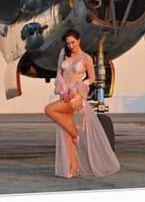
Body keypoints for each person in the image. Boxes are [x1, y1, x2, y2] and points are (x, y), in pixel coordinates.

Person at [44, 29, 120, 178]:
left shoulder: (86, 58)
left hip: (77, 96)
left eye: (73, 42)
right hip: (65, 95)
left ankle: (75, 131)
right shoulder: (63, 54)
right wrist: (64, 89)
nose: (71, 45)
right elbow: (59, 73)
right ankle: (73, 167)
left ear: (79, 41)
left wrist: (77, 87)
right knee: (65, 134)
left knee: (49, 110)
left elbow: (91, 78)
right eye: (68, 43)